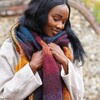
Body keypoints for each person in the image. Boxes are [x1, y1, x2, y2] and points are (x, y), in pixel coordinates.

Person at [0, 0, 86, 100]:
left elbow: (79, 96)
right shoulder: (14, 46)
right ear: (40, 14)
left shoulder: (68, 47)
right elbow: (3, 95)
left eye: (64, 21)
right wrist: (32, 67)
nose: (60, 26)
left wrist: (66, 63)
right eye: (56, 19)